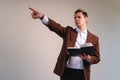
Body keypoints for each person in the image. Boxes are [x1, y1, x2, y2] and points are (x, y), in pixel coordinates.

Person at [29, 7, 100, 80]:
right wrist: (42, 17)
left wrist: (89, 58)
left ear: (86, 19)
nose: (76, 19)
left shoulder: (94, 38)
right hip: (67, 71)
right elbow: (56, 27)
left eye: (79, 17)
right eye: (75, 17)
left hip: (83, 73)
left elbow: (97, 58)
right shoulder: (68, 31)